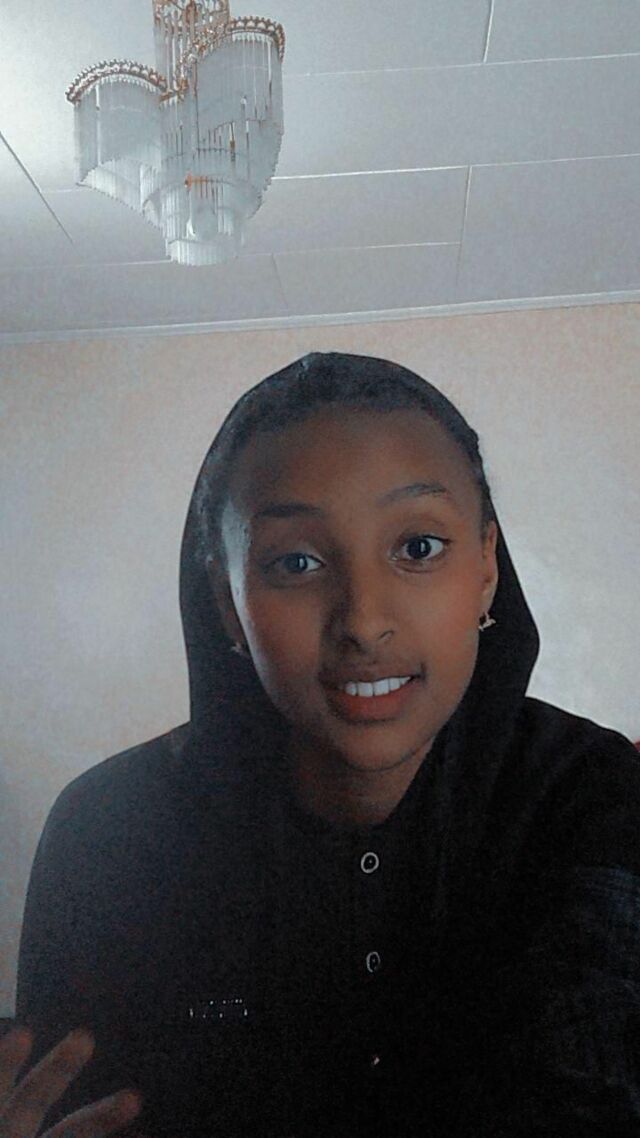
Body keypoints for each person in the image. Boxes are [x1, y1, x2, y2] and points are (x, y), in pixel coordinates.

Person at [15, 352, 640, 1137]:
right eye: (297, 562)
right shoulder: (108, 831)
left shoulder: (588, 794)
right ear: (227, 601)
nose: (363, 621)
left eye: (418, 547)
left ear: (485, 565)